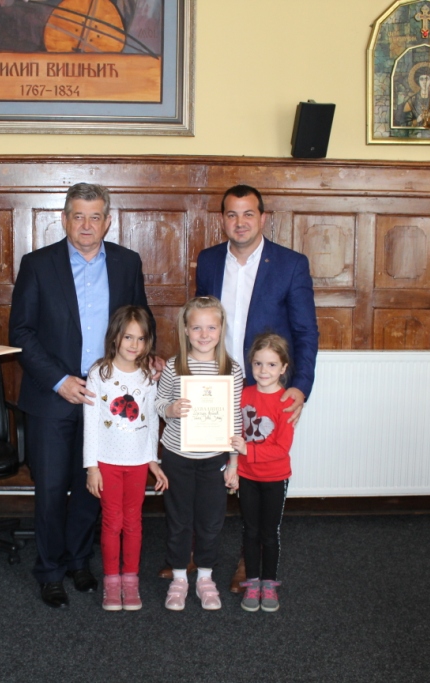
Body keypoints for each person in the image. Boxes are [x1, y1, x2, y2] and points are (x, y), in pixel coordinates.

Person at [9, 182, 155, 609]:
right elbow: (21, 332)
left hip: (110, 396)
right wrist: (60, 380)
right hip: (53, 394)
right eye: (78, 216)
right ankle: (50, 571)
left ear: (107, 222)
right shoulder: (37, 265)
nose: (87, 225)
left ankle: (78, 560)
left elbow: (141, 321)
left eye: (95, 217)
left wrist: (149, 357)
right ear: (64, 219)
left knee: (94, 485)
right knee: (52, 488)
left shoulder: (127, 262)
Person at [194, 184, 318, 591]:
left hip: (265, 388)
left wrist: (300, 387)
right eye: (232, 214)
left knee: (256, 474)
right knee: (208, 466)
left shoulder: (290, 264)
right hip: (215, 382)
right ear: (222, 219)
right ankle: (200, 551)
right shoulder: (209, 260)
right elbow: (199, 320)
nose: (240, 222)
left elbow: (306, 332)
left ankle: (250, 561)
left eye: (248, 213)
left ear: (263, 218)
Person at [154, 296, 243, 611]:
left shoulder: (231, 369)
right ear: (185, 330)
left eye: (211, 327)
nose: (204, 335)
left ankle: (205, 576)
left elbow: (235, 419)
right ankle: (179, 577)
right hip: (177, 457)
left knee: (210, 521)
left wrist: (233, 464)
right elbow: (158, 403)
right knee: (179, 520)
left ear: (221, 329)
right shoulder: (174, 366)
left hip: (214, 460)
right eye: (196, 328)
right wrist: (171, 409)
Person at [83, 305, 168, 611]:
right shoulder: (99, 373)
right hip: (106, 462)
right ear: (115, 337)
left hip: (137, 463)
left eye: (141, 339)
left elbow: (152, 421)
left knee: (133, 522)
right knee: (112, 522)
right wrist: (91, 467)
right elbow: (91, 422)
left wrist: (153, 460)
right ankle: (111, 581)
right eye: (128, 337)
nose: (134, 344)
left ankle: (130, 580)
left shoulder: (148, 376)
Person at [232, 333, 295, 613]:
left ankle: (269, 583)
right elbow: (235, 431)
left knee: (269, 533)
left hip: (275, 478)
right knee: (250, 530)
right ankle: (252, 581)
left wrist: (249, 450)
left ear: (283, 368)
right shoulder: (244, 394)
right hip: (247, 476)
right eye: (258, 363)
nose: (263, 370)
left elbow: (282, 448)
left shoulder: (286, 401)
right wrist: (234, 464)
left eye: (271, 364)